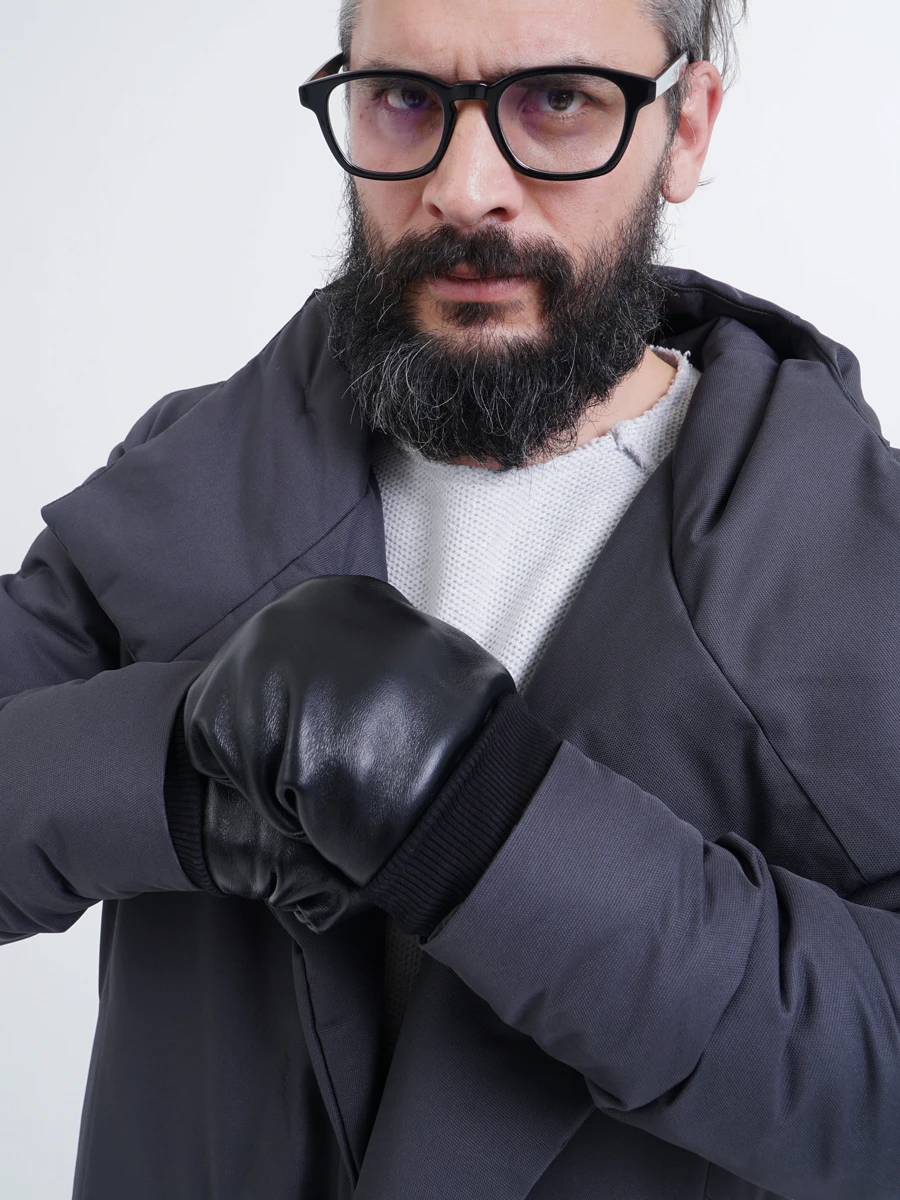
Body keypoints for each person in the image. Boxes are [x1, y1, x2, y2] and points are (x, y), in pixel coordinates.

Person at [1, 0, 898, 1197]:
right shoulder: (188, 476)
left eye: (560, 101)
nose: (464, 191)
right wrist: (180, 767)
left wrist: (486, 821)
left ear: (686, 128)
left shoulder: (863, 565)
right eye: (405, 101)